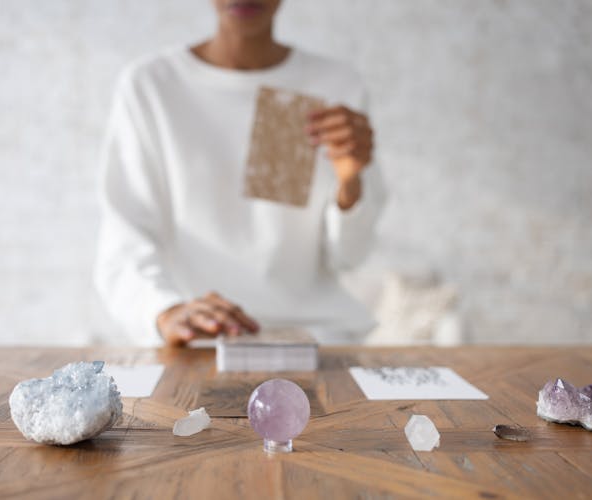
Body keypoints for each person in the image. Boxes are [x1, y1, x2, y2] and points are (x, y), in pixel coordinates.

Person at [94, 0, 386, 347]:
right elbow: (125, 238)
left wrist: (350, 185)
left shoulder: (335, 85)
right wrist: (165, 311)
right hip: (199, 340)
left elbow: (350, 257)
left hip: (318, 337)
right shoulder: (151, 87)